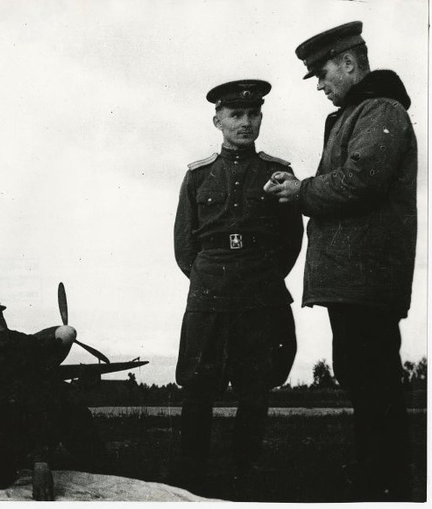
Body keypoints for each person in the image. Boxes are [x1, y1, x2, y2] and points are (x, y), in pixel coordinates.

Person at [265, 21, 417, 501]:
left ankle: (384, 482)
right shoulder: (361, 112)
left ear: (350, 63)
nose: (321, 85)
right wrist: (303, 189)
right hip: (355, 279)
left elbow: (360, 180)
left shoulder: (380, 110)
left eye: (323, 73)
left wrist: (301, 191)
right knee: (362, 377)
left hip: (365, 280)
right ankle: (378, 474)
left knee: (372, 379)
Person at [172, 80, 303, 497]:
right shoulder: (197, 175)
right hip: (209, 291)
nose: (246, 122)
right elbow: (184, 245)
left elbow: (291, 241)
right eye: (236, 115)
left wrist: (263, 275)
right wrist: (208, 277)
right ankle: (191, 476)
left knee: (255, 386)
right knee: (198, 385)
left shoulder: (277, 173)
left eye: (253, 114)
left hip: (260, 291)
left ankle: (244, 474)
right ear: (218, 121)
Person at [0, 286, 107, 501]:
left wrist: (41, 459)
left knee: (69, 401)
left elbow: (45, 402)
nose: (1, 328)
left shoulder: (25, 347)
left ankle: (100, 465)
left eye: (1, 319)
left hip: (37, 424)